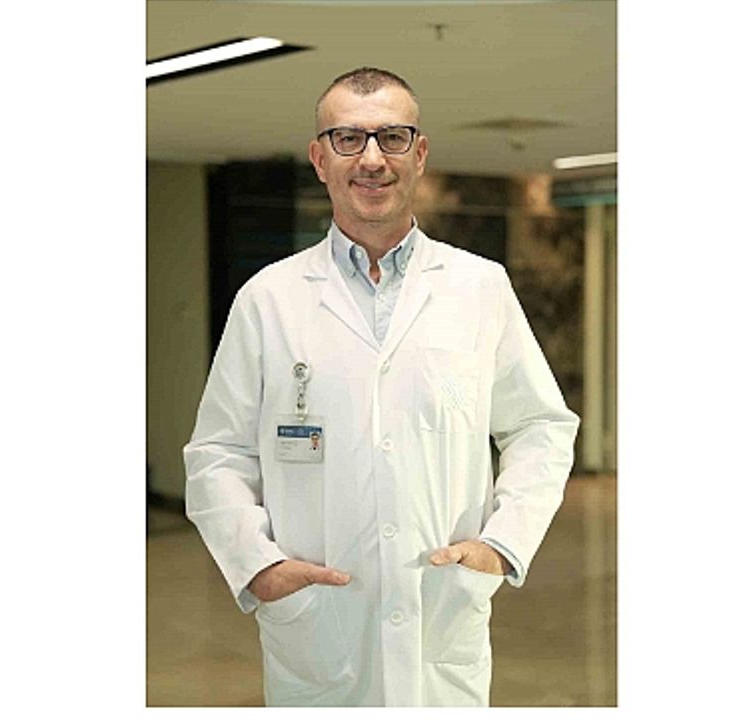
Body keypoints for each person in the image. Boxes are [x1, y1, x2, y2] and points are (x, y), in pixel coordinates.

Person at [183, 67, 579, 707]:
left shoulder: (479, 287)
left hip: (440, 613)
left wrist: (502, 545)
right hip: (318, 626)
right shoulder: (268, 298)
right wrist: (259, 565)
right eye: (348, 139)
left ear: (419, 155)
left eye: (392, 137)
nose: (372, 159)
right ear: (320, 159)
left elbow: (540, 426)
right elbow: (217, 453)